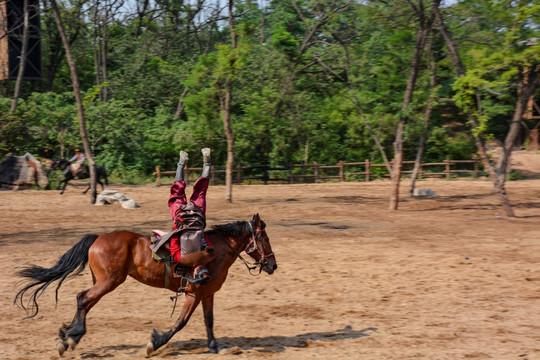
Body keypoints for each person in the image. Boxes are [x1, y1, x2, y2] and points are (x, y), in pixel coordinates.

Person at [168, 148, 215, 284]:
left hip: (198, 216)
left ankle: (207, 162)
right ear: (195, 274)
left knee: (201, 191)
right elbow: (174, 245)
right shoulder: (182, 259)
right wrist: (175, 228)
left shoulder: (208, 256)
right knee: (177, 191)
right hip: (181, 218)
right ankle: (181, 162)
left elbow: (205, 237)